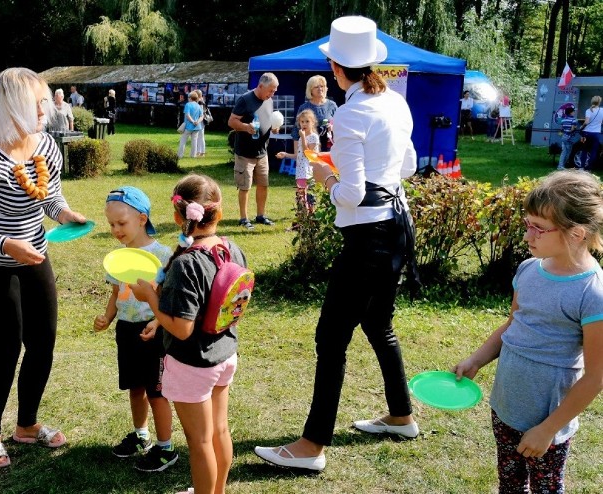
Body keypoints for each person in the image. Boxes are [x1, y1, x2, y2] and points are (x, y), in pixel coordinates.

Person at [254, 16, 419, 473]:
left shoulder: (351, 114)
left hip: (368, 235)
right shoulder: (396, 104)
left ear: (335, 67)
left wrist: (328, 177)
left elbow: (350, 193)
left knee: (331, 338)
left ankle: (311, 445)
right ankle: (401, 414)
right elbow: (407, 166)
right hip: (396, 227)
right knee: (378, 325)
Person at [0, 67, 87, 469]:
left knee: (42, 342)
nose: (46, 109)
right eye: (37, 103)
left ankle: (26, 426)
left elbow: (49, 196)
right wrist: (6, 244)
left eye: (46, 101)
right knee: (5, 349)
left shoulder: (45, 145)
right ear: (12, 107)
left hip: (33, 256)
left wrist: (63, 215)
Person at [452, 170, 603, 494]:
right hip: (505, 407)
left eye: (539, 228)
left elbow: (595, 377)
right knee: (510, 484)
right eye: (527, 224)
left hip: (547, 423)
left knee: (546, 489)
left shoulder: (592, 294)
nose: (527, 236)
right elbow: (512, 326)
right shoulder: (528, 269)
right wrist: (476, 359)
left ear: (576, 233)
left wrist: (548, 429)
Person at [130, 174, 246, 494]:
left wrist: (151, 299)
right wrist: (160, 318)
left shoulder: (186, 263)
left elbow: (182, 328)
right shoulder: (231, 248)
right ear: (218, 213)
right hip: (224, 354)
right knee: (220, 431)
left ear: (178, 216)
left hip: (193, 363)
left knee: (200, 442)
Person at [94, 186, 178, 473]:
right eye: (111, 225)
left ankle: (166, 448)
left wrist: (156, 322)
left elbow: (168, 300)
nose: (116, 230)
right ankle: (142, 435)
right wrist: (107, 317)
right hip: (126, 331)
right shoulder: (116, 259)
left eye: (121, 223)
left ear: (142, 219)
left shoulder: (163, 255)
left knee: (157, 392)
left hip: (154, 333)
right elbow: (116, 293)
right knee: (135, 387)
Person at [228, 72, 279, 230]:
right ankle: (243, 219)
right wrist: (245, 127)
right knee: (245, 187)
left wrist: (275, 127)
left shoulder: (268, 101)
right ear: (261, 86)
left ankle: (260, 216)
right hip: (245, 154)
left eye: (274, 91)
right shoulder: (245, 100)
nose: (272, 94)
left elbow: (268, 120)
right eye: (270, 90)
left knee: (263, 185)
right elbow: (231, 121)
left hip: (262, 153)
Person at [276, 109, 320, 223]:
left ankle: (309, 218)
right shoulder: (301, 138)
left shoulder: (313, 137)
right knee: (301, 196)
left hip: (309, 171)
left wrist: (304, 137)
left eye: (307, 121)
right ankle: (303, 219)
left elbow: (307, 152)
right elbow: (298, 155)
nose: (304, 124)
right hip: (300, 171)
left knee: (308, 196)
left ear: (313, 123)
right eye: (302, 122)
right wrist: (285, 154)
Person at [293, 75, 337, 151]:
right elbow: (296, 132)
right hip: (309, 150)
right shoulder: (304, 107)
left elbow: (341, 126)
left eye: (322, 86)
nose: (320, 89)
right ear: (310, 90)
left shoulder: (332, 105)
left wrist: (332, 128)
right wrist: (297, 156)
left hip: (329, 150)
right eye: (316, 87)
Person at [177, 91, 203, 159]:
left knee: (183, 140)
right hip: (197, 126)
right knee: (194, 141)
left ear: (190, 98)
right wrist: (197, 122)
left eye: (188, 97)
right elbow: (202, 116)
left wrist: (193, 121)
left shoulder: (188, 104)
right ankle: (193, 155)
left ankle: (180, 155)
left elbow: (187, 115)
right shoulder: (198, 105)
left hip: (188, 126)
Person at [579, 95, 602, 170]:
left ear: (592, 101)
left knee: (584, 150)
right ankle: (589, 168)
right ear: (599, 102)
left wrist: (581, 127)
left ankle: (582, 167)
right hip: (596, 134)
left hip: (587, 133)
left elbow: (586, 122)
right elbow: (601, 122)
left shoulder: (588, 110)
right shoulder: (602, 110)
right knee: (594, 151)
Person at [196, 90, 208, 157]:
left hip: (200, 121)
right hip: (200, 121)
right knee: (199, 136)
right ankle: (199, 151)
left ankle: (202, 152)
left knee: (200, 136)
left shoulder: (200, 102)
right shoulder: (201, 101)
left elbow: (200, 113)